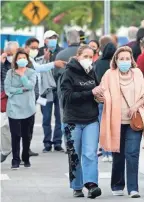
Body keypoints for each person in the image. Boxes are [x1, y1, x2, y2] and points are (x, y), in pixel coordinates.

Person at [99, 46, 144, 198]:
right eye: (121, 59)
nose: (124, 61)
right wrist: (99, 95)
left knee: (132, 153)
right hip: (116, 121)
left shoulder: (137, 73)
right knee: (118, 154)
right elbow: (101, 93)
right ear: (116, 60)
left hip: (134, 121)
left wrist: (135, 106)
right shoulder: (109, 75)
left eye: (127, 58)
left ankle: (133, 188)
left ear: (131, 60)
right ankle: (117, 184)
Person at [60, 45, 103, 198]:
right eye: (85, 56)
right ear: (78, 56)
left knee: (90, 153)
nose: (88, 60)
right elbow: (67, 97)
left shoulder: (92, 72)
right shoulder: (68, 74)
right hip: (72, 120)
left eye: (91, 57)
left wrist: (99, 96)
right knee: (75, 154)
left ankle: (91, 185)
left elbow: (97, 89)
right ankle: (77, 186)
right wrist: (89, 93)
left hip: (91, 119)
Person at [4, 48, 37, 170]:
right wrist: (21, 89)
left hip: (28, 108)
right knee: (15, 135)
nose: (22, 60)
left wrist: (23, 76)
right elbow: (8, 89)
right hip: (14, 108)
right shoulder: (10, 73)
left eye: (24, 58)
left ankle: (26, 157)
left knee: (26, 135)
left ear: (27, 60)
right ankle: (15, 160)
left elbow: (30, 86)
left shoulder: (31, 72)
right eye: (19, 58)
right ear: (15, 60)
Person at [37, 30, 64, 153]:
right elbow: (36, 69)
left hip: (59, 89)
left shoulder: (62, 51)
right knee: (46, 117)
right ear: (45, 40)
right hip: (45, 91)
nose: (53, 40)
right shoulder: (39, 51)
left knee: (59, 117)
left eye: (54, 37)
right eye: (50, 38)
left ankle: (57, 142)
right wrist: (45, 58)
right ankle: (47, 142)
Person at [94, 42, 116, 162]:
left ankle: (104, 150)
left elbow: (95, 79)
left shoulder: (98, 63)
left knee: (102, 126)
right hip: (114, 98)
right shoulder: (114, 65)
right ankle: (111, 152)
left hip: (101, 97)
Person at [0, 41, 19, 163]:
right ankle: (6, 150)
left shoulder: (24, 64)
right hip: (6, 99)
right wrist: (1, 64)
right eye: (11, 53)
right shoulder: (4, 65)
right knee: (3, 126)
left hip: (21, 99)